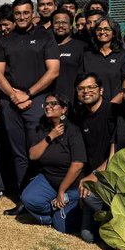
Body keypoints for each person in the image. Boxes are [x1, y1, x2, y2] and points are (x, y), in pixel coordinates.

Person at [0, 0, 60, 214]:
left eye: (26, 12)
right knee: (18, 152)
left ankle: (40, 196)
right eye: (18, 13)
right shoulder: (4, 41)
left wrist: (28, 93)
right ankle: (23, 201)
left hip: (37, 100)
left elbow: (53, 71)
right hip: (11, 102)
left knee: (37, 150)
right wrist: (13, 95)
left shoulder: (45, 37)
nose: (21, 17)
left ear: (33, 14)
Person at [20, 93, 86, 235]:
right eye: (46, 104)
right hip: (49, 179)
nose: (48, 107)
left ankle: (66, 208)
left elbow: (78, 165)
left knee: (60, 226)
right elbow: (33, 155)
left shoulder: (73, 131)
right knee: (28, 199)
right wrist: (51, 136)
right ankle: (54, 210)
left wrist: (62, 191)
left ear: (64, 109)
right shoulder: (43, 128)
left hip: (71, 185)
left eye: (53, 103)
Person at [73, 74, 116, 244]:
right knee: (88, 236)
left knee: (88, 197)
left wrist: (94, 175)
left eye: (91, 87)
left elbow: (116, 154)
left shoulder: (113, 112)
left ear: (101, 90)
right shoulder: (80, 115)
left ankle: (117, 223)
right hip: (90, 175)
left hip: (108, 175)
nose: (86, 92)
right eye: (81, 88)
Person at [82, 17, 125, 102]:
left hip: (115, 106)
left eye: (107, 29)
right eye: (99, 29)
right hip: (91, 107)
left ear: (114, 33)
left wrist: (112, 104)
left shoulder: (122, 55)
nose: (102, 32)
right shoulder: (87, 55)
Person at [50, 9, 85, 98]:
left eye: (64, 23)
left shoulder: (81, 47)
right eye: (57, 23)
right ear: (52, 25)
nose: (60, 26)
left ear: (70, 26)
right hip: (49, 101)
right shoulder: (45, 47)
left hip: (72, 100)